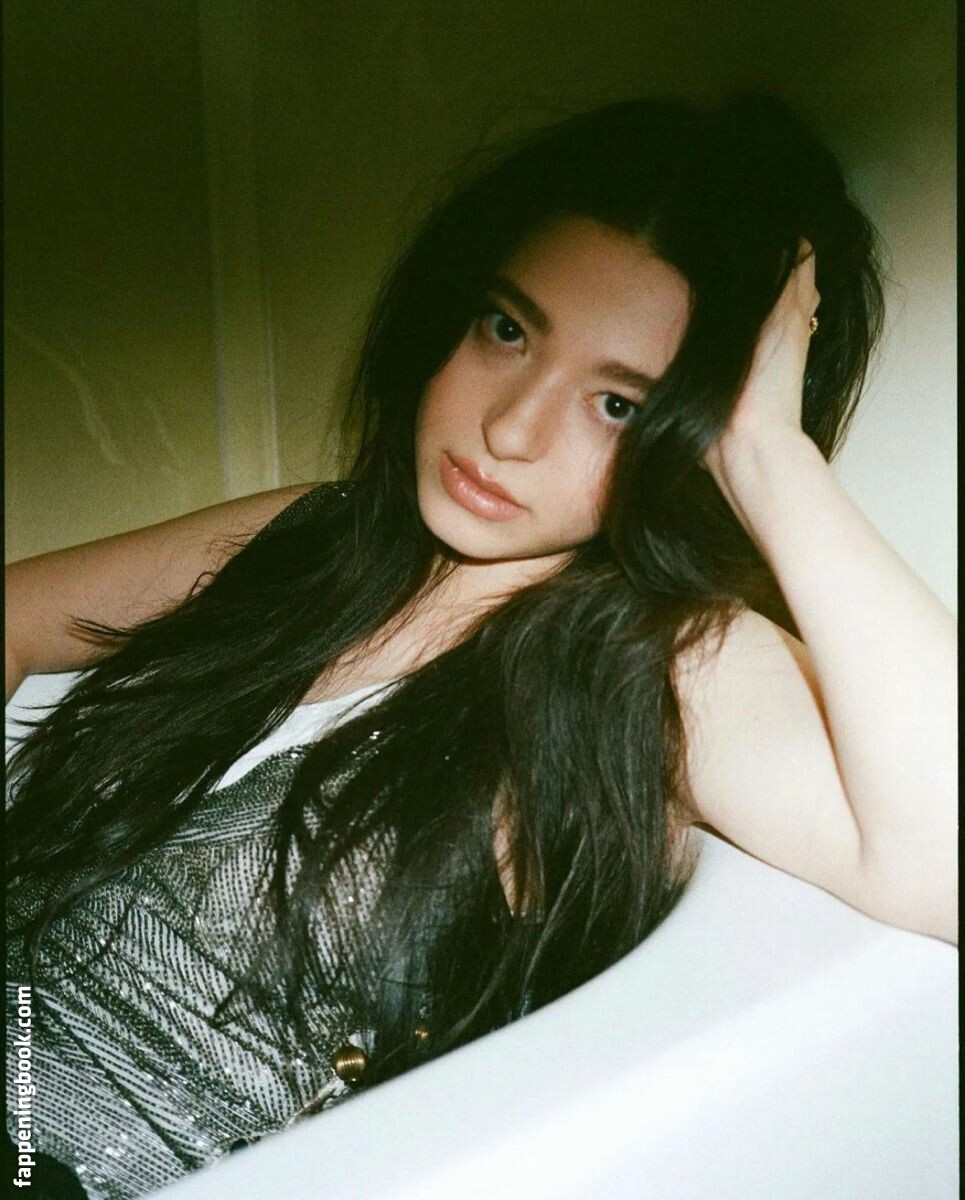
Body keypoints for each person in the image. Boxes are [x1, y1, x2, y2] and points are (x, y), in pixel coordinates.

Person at [5, 91, 956, 1200]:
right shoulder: (315, 531)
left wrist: (767, 454)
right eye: (507, 330)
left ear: (691, 434)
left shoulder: (666, 664)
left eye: (618, 404)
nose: (510, 429)